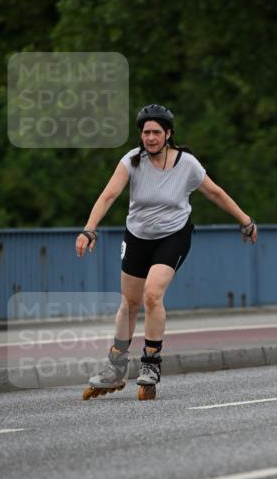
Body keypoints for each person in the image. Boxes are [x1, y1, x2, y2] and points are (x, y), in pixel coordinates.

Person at [76, 103, 257, 399]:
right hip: (137, 236)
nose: (150, 138)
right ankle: (115, 367)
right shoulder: (131, 161)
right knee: (129, 303)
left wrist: (245, 221)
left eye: (156, 132)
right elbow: (108, 195)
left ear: (168, 134)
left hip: (173, 235)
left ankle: (150, 364)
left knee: (152, 294)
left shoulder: (187, 164)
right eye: (145, 132)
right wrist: (89, 228)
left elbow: (215, 192)